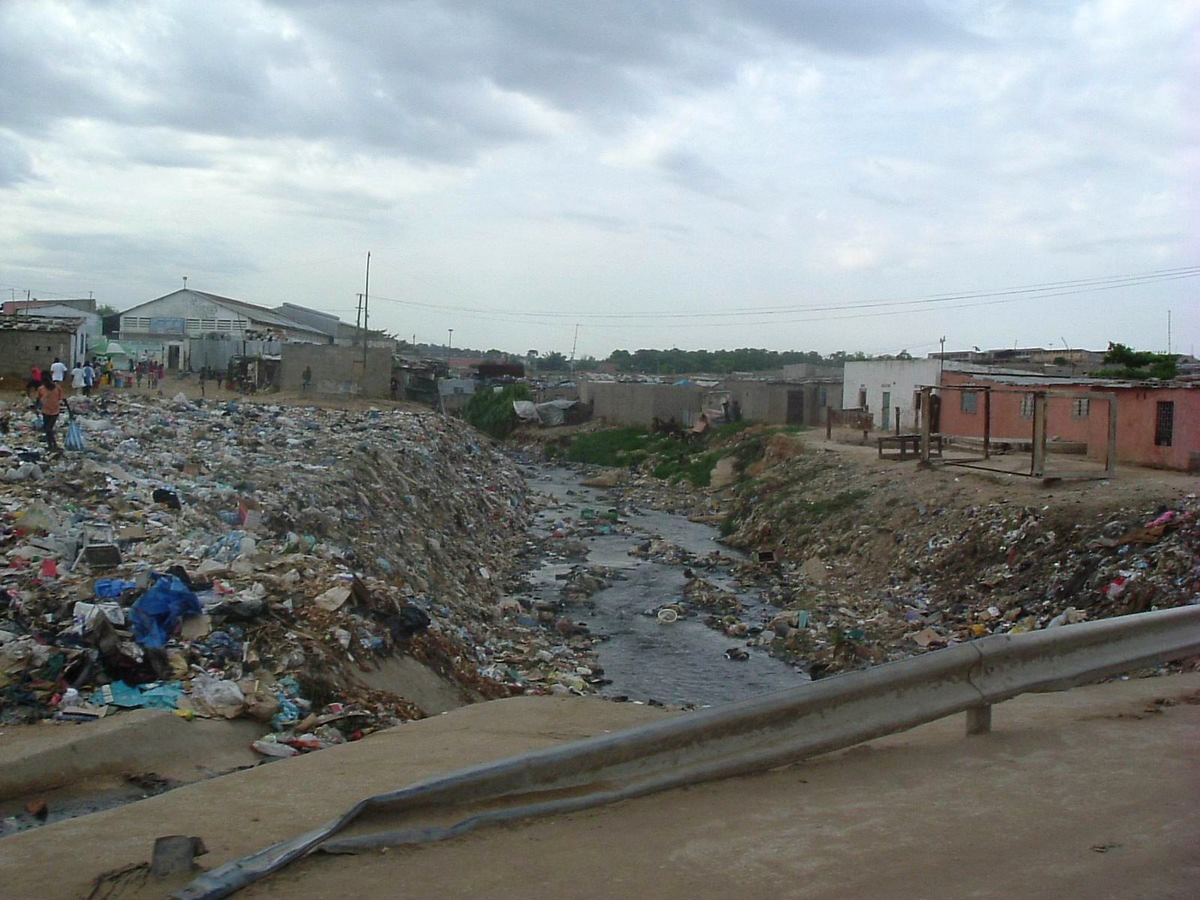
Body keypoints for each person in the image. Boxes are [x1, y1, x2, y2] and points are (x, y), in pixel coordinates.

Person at [36, 375, 68, 454]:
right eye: (45, 382)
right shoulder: (41, 389)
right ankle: (50, 445)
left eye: (48, 381)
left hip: (55, 411)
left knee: (49, 428)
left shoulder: (57, 388)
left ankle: (54, 445)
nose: (47, 383)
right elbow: (38, 399)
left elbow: (63, 398)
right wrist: (36, 408)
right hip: (45, 411)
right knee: (46, 429)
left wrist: (69, 410)